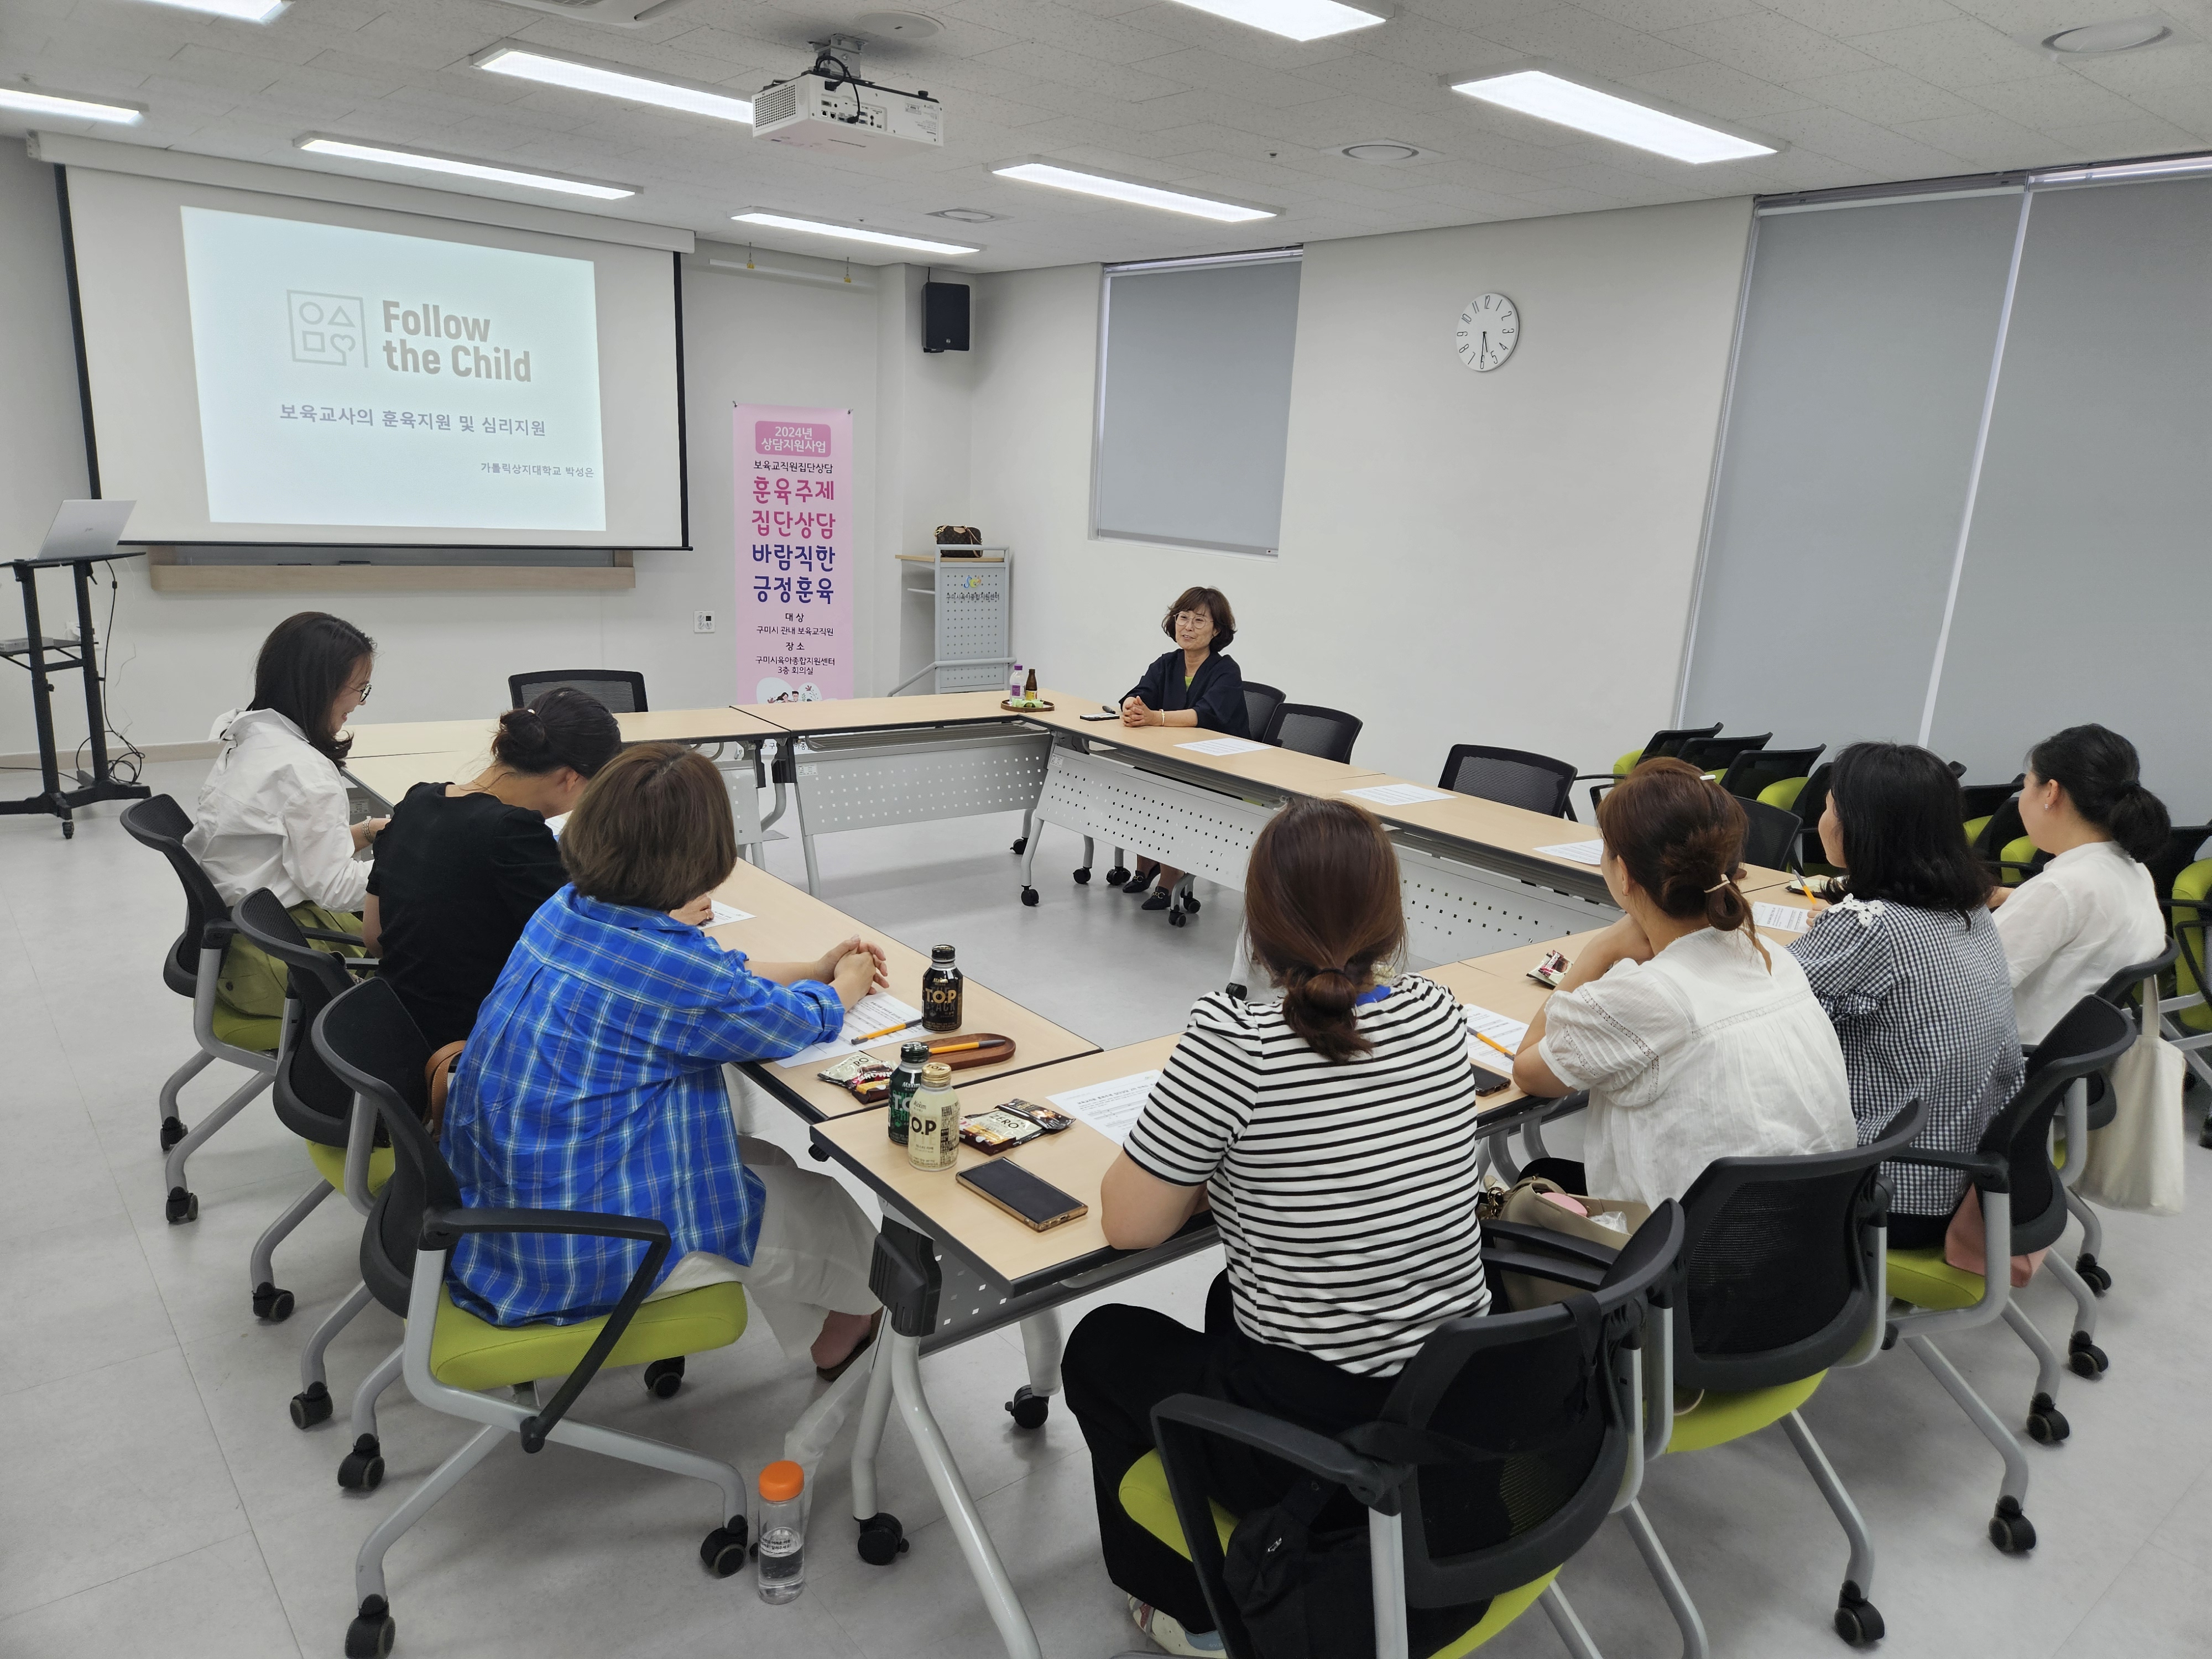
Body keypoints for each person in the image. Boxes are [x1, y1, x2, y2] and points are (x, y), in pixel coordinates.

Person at [1061, 798, 1490, 1657]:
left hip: (1323, 1436)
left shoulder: (1234, 1043)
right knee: (1229, 1296)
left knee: (1104, 1345)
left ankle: (1199, 1610)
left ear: (1255, 929)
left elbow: (1132, 1224)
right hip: (1457, 1398)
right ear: (1392, 921)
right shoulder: (1442, 1015)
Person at [441, 744, 885, 1376]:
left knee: (765, 1160)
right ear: (704, 855)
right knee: (824, 1210)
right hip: (577, 1252)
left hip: (502, 1206)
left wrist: (813, 967)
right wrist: (844, 982)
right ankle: (852, 1327)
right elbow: (791, 1023)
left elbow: (710, 979)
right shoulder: (666, 970)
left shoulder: (566, 909)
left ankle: (827, 1327)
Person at [1510, 758, 1854, 1209]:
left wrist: (1601, 949)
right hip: (1792, 1249)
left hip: (1679, 1260)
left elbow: (1528, 1071)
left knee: (1523, 1193)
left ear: (1626, 874)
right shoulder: (1773, 957)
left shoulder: (1649, 995)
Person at [1790, 742, 2021, 1249]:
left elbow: (1761, 1011)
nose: (1822, 816)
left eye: (1829, 805)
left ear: (1860, 825)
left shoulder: (1870, 927)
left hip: (1892, 1192)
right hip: (1964, 1171)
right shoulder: (1968, 908)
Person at [363, 687, 623, 1049]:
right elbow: (591, 959)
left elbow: (374, 936)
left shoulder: (417, 801)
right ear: (570, 778)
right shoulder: (513, 831)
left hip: (396, 1027)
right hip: (476, 1041)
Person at [186, 612, 384, 1026]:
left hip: (247, 932)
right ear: (320, 687)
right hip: (277, 961)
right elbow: (332, 887)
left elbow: (288, 847)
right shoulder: (304, 771)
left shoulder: (250, 735)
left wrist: (367, 832)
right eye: (358, 689)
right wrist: (419, 869)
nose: (359, 704)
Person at [1988, 724, 2169, 1045]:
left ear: (2051, 792)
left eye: (2027, 785)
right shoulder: (2130, 868)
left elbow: (1955, 987)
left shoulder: (2062, 888)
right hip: (2066, 1055)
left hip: (2005, 1059)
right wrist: (2016, 898)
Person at [1118, 586, 1248, 914]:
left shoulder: (1226, 671)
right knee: (1141, 781)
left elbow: (1203, 715)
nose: (1188, 626)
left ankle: (1169, 883)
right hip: (1173, 759)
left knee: (1172, 794)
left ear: (1217, 630)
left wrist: (1154, 717)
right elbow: (1140, 692)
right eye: (1183, 617)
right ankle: (1145, 866)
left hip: (1216, 769)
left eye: (1199, 620)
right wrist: (1131, 706)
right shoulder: (1167, 663)